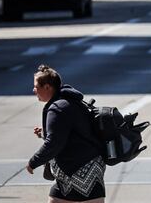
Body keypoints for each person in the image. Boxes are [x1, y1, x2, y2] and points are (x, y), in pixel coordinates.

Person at [27, 65, 105, 202]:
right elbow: (70, 132)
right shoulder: (68, 102)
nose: (34, 90)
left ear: (47, 87)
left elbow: (54, 143)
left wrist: (33, 162)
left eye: (36, 86)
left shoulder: (57, 108)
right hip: (81, 168)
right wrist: (46, 132)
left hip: (80, 169)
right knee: (55, 199)